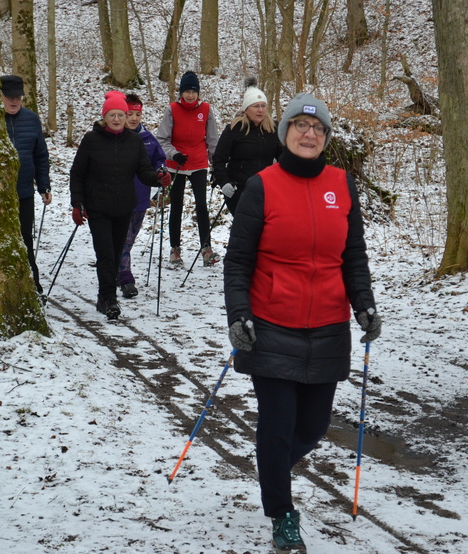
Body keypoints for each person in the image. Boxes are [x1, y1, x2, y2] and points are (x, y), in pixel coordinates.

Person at [223, 93, 382, 553]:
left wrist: (364, 304)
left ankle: (270, 467)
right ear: (285, 132)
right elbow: (238, 262)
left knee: (311, 428)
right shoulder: (262, 186)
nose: (309, 134)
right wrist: (239, 314)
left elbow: (353, 255)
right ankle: (282, 512)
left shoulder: (341, 185)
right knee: (277, 425)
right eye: (299, 126)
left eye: (317, 128)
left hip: (329, 324)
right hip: (271, 323)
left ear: (326, 137)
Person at [69, 91, 172, 320]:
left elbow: (144, 171)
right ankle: (109, 299)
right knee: (105, 254)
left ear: (126, 118)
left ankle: (102, 297)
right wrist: (77, 203)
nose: (117, 119)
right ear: (105, 117)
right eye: (112, 115)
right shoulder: (91, 140)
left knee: (116, 255)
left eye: (121, 115)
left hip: (124, 206)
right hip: (98, 207)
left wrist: (159, 177)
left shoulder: (135, 141)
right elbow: (77, 173)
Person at [155, 70, 220, 267]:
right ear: (181, 92)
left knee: (202, 207)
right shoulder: (172, 110)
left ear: (198, 93)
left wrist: (216, 166)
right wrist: (173, 154)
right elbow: (162, 140)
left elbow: (212, 140)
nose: (190, 95)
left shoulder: (206, 110)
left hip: (199, 164)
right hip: (177, 165)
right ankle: (175, 250)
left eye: (194, 91)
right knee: (176, 207)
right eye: (187, 91)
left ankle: (206, 249)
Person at [0, 74, 52, 295]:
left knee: (24, 239)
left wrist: (44, 186)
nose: (14, 101)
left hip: (23, 192)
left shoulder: (31, 119)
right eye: (9, 97)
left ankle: (33, 287)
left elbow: (40, 155)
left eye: (18, 97)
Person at [117, 93, 167, 299]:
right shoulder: (116, 137)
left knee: (129, 240)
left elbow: (159, 160)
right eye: (130, 113)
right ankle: (126, 279)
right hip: (117, 198)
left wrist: (162, 172)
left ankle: (115, 269)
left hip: (141, 198)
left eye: (137, 114)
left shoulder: (147, 139)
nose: (134, 118)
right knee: (123, 240)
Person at [212, 78, 282, 217]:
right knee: (245, 231)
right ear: (246, 109)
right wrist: (224, 183)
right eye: (256, 106)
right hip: (238, 190)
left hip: (265, 188)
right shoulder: (234, 129)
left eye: (263, 106)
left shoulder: (273, 128)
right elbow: (218, 159)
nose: (260, 110)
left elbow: (283, 158)